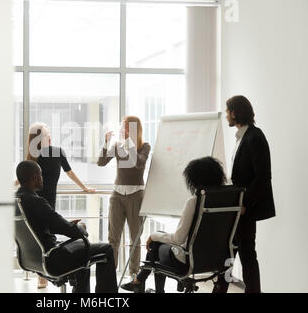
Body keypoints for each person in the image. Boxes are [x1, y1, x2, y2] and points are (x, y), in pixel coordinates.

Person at [121, 156, 227, 293]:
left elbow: (178, 239)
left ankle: (143, 283)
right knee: (159, 239)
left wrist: (154, 235)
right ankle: (140, 281)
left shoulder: (194, 202)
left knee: (156, 244)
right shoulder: (227, 201)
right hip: (216, 259)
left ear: (194, 179)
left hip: (188, 260)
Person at [15, 160, 118, 293]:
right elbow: (67, 229)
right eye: (40, 174)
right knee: (107, 249)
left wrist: (67, 225)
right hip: (52, 258)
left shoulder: (17, 200)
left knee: (82, 253)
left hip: (31, 260)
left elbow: (49, 225)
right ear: (34, 177)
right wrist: (80, 227)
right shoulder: (36, 201)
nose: (42, 178)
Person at [18, 122, 95, 288]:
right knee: (49, 236)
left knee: (41, 237)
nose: (50, 137)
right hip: (43, 205)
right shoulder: (54, 152)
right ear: (39, 138)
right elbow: (70, 172)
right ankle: (61, 273)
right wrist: (84, 188)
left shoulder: (34, 155)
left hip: (36, 206)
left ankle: (45, 274)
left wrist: (85, 188)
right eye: (47, 134)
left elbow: (22, 179)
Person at [213, 95, 275, 293]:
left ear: (235, 113)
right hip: (236, 207)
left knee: (246, 255)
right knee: (230, 251)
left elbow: (263, 177)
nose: (226, 116)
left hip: (246, 209)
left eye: (227, 111)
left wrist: (245, 203)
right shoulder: (243, 137)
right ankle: (221, 289)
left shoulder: (255, 137)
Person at [97, 116, 151, 279]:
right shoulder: (118, 145)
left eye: (126, 127)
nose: (123, 130)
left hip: (136, 195)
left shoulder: (144, 146)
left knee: (135, 238)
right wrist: (106, 142)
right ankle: (110, 275)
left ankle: (134, 274)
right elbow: (101, 162)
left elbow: (138, 163)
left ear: (135, 129)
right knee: (113, 238)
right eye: (122, 127)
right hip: (117, 195)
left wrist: (129, 142)